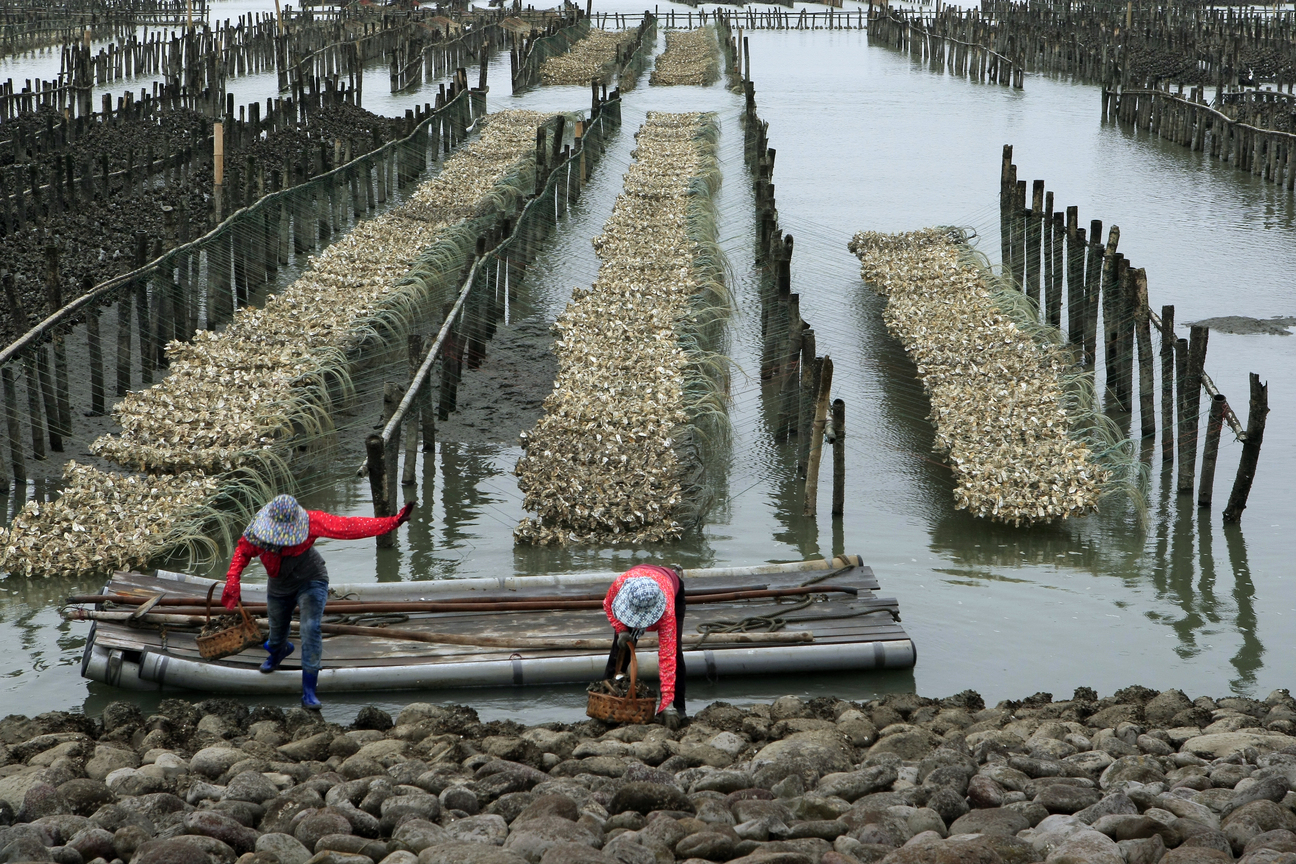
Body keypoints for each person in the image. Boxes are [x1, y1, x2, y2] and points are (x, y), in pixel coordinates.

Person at [221, 494, 414, 709]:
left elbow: (348, 527)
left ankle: (309, 692)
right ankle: (279, 651)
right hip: (279, 585)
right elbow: (242, 553)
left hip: (311, 579)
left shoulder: (310, 521)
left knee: (310, 628)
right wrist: (233, 580)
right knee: (276, 634)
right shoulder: (257, 531)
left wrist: (392, 522)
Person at [603, 564, 686, 729]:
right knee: (621, 647)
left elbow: (667, 657)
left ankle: (676, 708)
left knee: (675, 652)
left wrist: (666, 702)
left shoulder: (667, 611)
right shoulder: (620, 584)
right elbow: (608, 604)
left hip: (671, 589)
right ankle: (607, 700)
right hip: (636, 593)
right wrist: (621, 631)